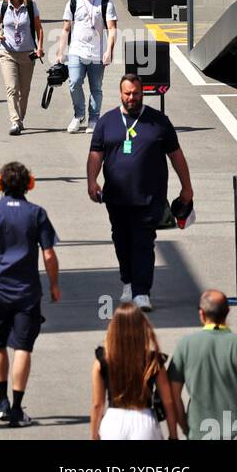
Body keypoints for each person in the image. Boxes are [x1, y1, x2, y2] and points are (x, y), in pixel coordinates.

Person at [88, 75, 194, 311]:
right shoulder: (107, 122)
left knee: (143, 242)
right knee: (121, 241)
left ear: (142, 93)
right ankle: (128, 281)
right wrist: (91, 180)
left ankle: (141, 292)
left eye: (136, 93)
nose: (131, 98)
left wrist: (186, 187)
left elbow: (176, 156)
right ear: (120, 93)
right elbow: (96, 153)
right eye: (127, 93)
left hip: (149, 197)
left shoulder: (158, 122)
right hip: (116, 197)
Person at [0, 160, 60, 429]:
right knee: (23, 347)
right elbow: (49, 254)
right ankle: (18, 409)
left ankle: (1, 401)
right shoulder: (37, 214)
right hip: (28, 293)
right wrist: (54, 284)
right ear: (29, 185)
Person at [91, 303, 176, 441]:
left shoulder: (102, 360)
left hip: (114, 421)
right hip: (145, 420)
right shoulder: (153, 360)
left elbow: (97, 404)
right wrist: (173, 435)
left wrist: (94, 435)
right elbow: (168, 401)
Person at [168, 290, 237, 440]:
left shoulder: (186, 345)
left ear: (201, 314)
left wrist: (186, 428)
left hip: (200, 432)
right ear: (227, 312)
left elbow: (173, 395)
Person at [55, 0, 119, 134]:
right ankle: (79, 115)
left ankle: (94, 118)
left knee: (96, 87)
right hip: (77, 51)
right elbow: (66, 29)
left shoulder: (105, 3)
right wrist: (60, 52)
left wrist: (109, 51)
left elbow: (112, 30)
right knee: (74, 82)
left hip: (97, 53)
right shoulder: (73, 2)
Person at [0, 0, 44, 135]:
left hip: (27, 54)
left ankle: (20, 119)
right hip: (7, 53)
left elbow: (39, 29)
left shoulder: (30, 6)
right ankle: (14, 121)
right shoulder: (3, 5)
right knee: (12, 88)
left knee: (24, 91)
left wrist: (39, 47)